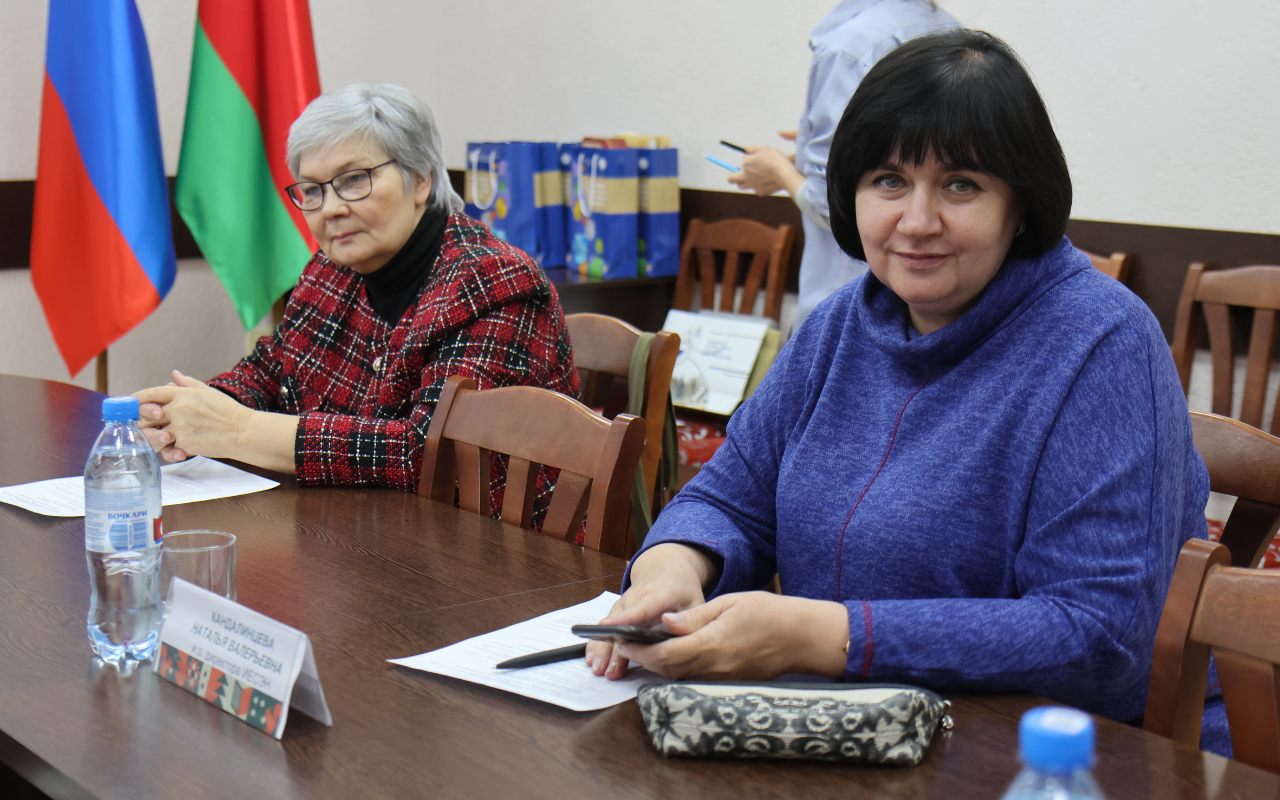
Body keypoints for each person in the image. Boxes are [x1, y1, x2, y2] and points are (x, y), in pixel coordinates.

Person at [590, 29, 1211, 738]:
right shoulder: (841, 325)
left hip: (1050, 756)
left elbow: (1096, 637)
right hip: (847, 734)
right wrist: (672, 567)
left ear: (1022, 203)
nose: (917, 222)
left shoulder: (1102, 343)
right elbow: (728, 493)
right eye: (888, 181)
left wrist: (827, 637)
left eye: (961, 185)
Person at [135, 83, 578, 523]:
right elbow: (273, 372)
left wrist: (236, 430)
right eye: (312, 190)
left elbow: (429, 454)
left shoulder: (493, 281)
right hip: (359, 532)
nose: (329, 209)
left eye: (353, 180)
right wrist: (187, 412)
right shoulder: (329, 270)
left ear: (420, 178)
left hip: (496, 556)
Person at [730, 0, 957, 331]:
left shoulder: (852, 47)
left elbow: (830, 206)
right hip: (934, 307)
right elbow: (922, 157)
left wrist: (778, 170)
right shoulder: (946, 28)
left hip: (852, 302)